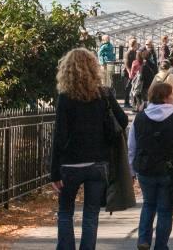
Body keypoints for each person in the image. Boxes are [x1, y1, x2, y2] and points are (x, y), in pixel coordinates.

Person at [50, 48, 129, 250]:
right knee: (91, 214)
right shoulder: (103, 95)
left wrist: (54, 173)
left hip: (70, 163)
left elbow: (59, 136)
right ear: (94, 69)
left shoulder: (65, 98)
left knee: (66, 212)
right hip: (98, 161)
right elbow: (122, 120)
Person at [129, 82, 173, 250]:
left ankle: (143, 239)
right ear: (166, 97)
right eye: (171, 95)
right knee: (165, 209)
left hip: (145, 167)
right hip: (169, 168)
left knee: (148, 204)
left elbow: (132, 146)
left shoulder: (140, 117)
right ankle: (161, 245)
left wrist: (132, 169)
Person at [123, 39, 141, 106]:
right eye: (136, 44)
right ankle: (126, 102)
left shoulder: (135, 52)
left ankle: (134, 102)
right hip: (128, 73)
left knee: (133, 87)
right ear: (133, 44)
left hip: (133, 72)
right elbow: (127, 65)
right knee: (128, 87)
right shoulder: (128, 53)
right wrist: (130, 73)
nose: (137, 45)